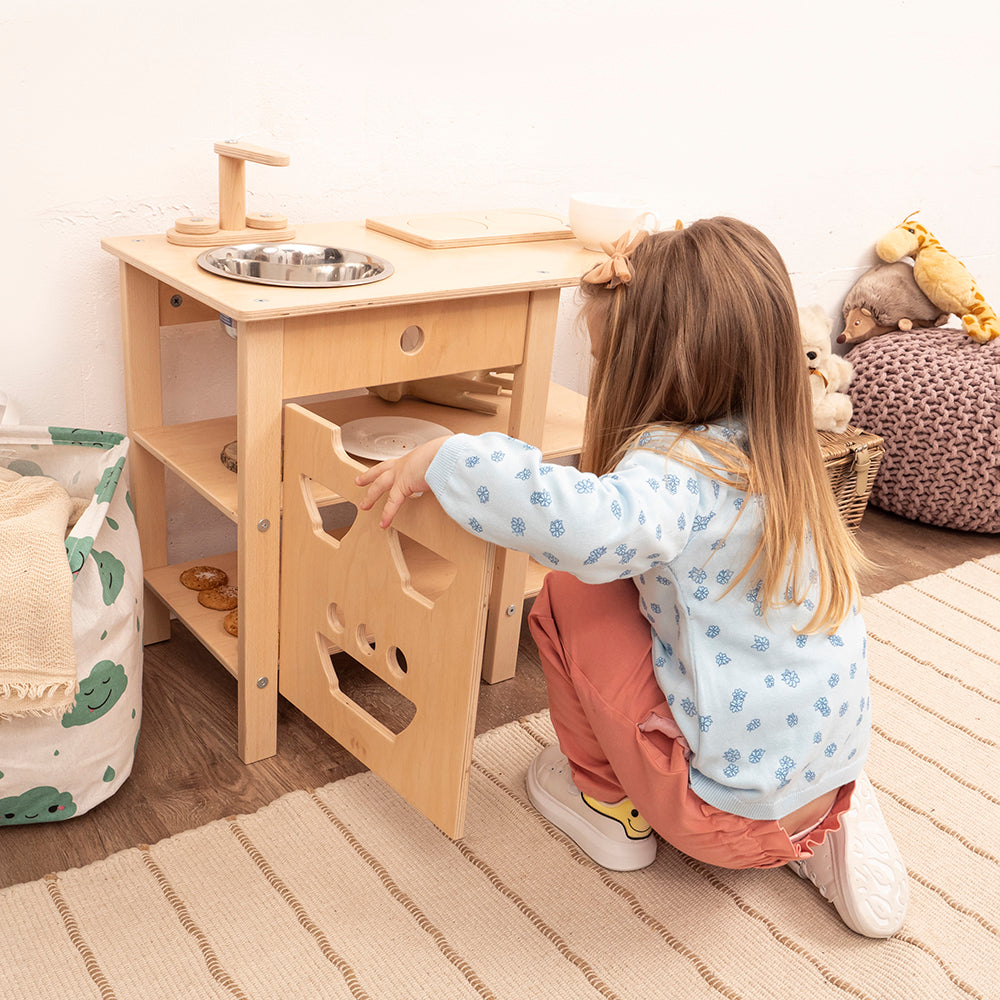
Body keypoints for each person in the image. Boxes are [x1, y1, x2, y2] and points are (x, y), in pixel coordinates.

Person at [356, 217, 909, 938]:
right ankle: (817, 824)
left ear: (650, 365)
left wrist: (448, 458)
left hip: (717, 816)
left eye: (601, 358)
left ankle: (608, 806)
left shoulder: (680, 474)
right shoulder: (787, 449)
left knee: (568, 592)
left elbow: (574, 525)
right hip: (829, 768)